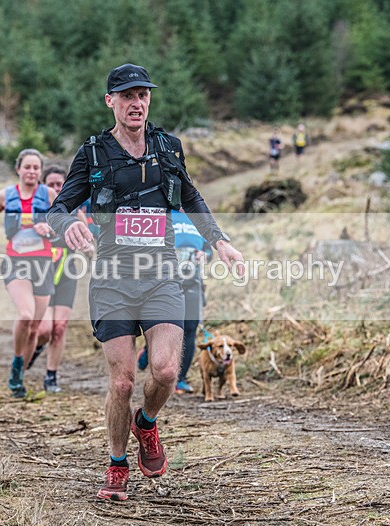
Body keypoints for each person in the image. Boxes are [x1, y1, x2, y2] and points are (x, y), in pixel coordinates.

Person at [47, 63, 245, 501]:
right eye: (127, 96)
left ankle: (147, 423)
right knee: (120, 382)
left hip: (161, 277)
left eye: (143, 95)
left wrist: (220, 241)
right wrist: (67, 228)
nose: (136, 103)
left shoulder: (168, 147)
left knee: (167, 370)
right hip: (114, 279)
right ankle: (117, 465)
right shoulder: (94, 154)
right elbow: (58, 207)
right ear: (110, 101)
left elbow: (190, 196)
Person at [0, 149, 58, 399]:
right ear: (19, 169)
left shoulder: (49, 195)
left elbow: (62, 222)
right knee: (25, 315)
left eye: (36, 168)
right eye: (28, 167)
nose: (32, 172)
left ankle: (20, 375)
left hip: (43, 263)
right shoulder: (5, 195)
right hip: (17, 262)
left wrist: (50, 228)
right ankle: (16, 363)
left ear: (40, 171)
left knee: (35, 328)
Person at [28, 166, 94, 393]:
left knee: (60, 327)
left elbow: (90, 246)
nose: (56, 188)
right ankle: (34, 348)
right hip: (41, 274)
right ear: (42, 185)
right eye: (51, 184)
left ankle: (51, 376)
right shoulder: (37, 211)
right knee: (44, 329)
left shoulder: (75, 213)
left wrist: (88, 248)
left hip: (67, 274)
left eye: (60, 184)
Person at [137, 209, 212, 394]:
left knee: (190, 328)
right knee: (163, 327)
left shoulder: (198, 220)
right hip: (164, 283)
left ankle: (180, 379)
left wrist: (205, 255)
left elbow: (209, 250)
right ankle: (148, 351)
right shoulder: (162, 214)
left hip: (193, 282)